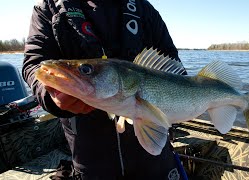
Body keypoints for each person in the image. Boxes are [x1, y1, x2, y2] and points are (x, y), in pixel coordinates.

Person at [23, 0, 187, 179]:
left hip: (154, 159)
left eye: (86, 70)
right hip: (90, 156)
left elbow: (174, 68)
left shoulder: (143, 9)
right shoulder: (49, 7)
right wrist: (49, 94)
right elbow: (35, 64)